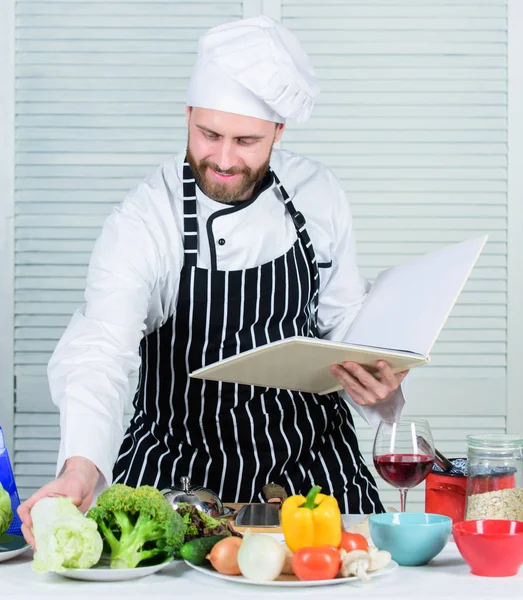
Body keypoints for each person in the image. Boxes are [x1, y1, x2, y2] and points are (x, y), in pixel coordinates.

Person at [18, 15, 408, 547]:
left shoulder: (319, 194)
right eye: (208, 134)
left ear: (278, 131)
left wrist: (380, 388)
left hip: (313, 471)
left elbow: (345, 327)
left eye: (246, 140)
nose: (223, 159)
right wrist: (81, 467)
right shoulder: (144, 219)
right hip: (178, 473)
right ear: (187, 115)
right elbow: (100, 351)